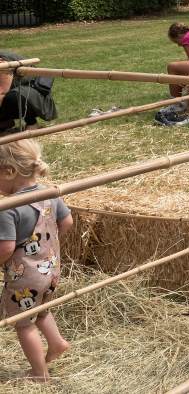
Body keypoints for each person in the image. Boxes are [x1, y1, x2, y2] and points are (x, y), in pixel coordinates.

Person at [0, 138, 73, 382]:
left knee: (23, 324)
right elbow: (67, 222)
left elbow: (6, 248)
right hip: (51, 269)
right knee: (40, 310)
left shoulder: (8, 208)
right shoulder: (49, 193)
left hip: (25, 278)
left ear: (9, 172)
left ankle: (39, 374)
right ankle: (57, 342)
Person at [0, 54, 57, 133]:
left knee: (13, 97)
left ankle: (32, 123)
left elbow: (2, 92)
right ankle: (5, 122)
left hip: (32, 91)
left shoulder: (2, 62)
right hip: (14, 89)